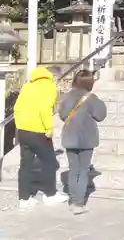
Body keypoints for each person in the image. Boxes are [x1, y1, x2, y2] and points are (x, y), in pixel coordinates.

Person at [14, 65, 68, 209]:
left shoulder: (28, 84)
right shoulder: (48, 86)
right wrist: (48, 128)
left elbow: (17, 107)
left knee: (25, 164)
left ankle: (24, 198)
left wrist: (20, 125)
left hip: (23, 130)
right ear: (54, 76)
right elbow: (45, 108)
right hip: (38, 131)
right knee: (50, 162)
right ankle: (50, 194)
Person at [59, 69, 107, 214]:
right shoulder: (92, 98)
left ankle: (73, 200)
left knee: (73, 170)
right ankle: (79, 204)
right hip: (86, 139)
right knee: (83, 170)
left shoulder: (66, 97)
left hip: (70, 138)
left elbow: (62, 115)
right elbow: (101, 115)